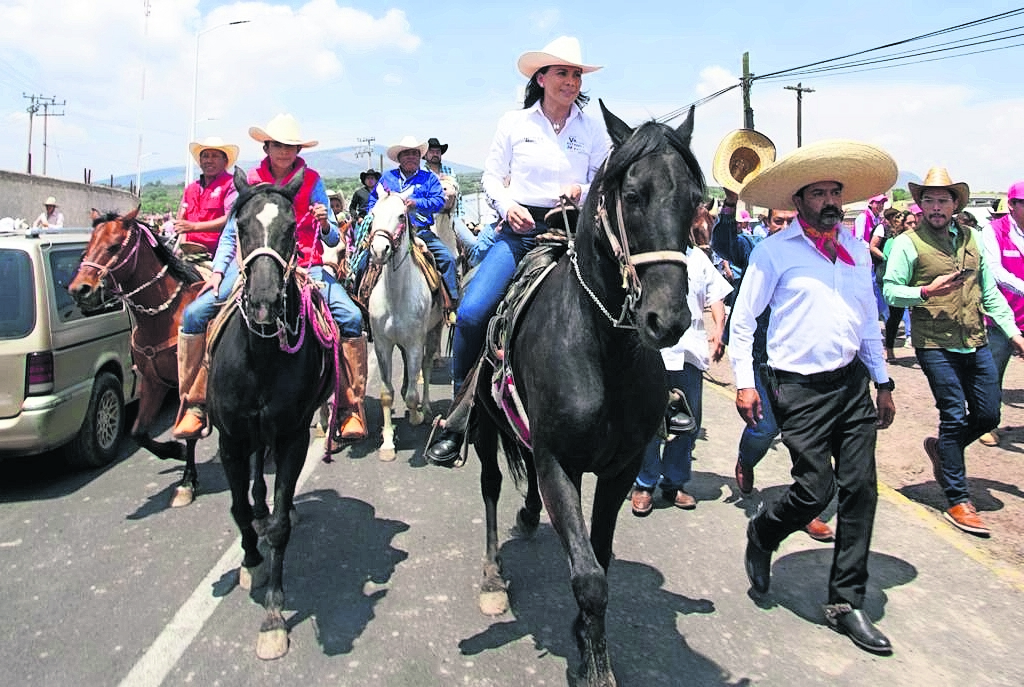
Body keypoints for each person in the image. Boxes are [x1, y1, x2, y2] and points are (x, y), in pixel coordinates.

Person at [731, 139, 898, 654]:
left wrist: (883, 380)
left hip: (850, 384)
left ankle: (845, 602)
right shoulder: (774, 251)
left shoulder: (853, 250)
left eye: (835, 192)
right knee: (814, 489)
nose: (830, 201)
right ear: (799, 201)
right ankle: (764, 532)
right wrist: (743, 381)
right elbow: (743, 321)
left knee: (860, 490)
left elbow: (868, 321)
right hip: (797, 387)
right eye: (819, 193)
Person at [427, 35, 611, 465]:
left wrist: (582, 190)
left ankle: (656, 403)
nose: (570, 81)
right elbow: (492, 177)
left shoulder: (593, 127)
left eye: (576, 74)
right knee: (472, 313)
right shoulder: (515, 124)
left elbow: (607, 175)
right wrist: (507, 207)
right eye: (562, 73)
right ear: (541, 77)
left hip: (576, 232)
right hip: (522, 231)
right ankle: (461, 413)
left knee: (630, 302)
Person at [173, 114, 369, 443]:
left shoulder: (313, 180)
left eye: (290, 145)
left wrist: (324, 224)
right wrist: (220, 270)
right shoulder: (250, 179)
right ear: (266, 146)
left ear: (297, 149)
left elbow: (334, 239)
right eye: (278, 144)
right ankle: (195, 403)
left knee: (350, 316)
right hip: (254, 262)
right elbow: (231, 233)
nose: (284, 151)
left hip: (305, 262)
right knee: (194, 314)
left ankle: (350, 406)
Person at [883, 168, 1024, 537]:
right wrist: (926, 291)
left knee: (989, 414)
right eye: (928, 199)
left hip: (974, 338)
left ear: (955, 204)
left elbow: (989, 292)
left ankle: (944, 450)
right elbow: (891, 291)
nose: (935, 206)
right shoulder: (907, 243)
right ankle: (958, 499)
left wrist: (1012, 332)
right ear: (920, 204)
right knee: (954, 415)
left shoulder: (972, 239)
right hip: (934, 343)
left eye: (943, 199)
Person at [713, 195, 835, 542]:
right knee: (764, 431)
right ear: (767, 223)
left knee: (809, 438)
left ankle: (806, 506)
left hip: (801, 363)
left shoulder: (817, 251)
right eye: (777, 221)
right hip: (758, 358)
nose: (783, 227)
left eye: (788, 221)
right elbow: (723, 241)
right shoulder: (755, 249)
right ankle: (746, 460)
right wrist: (729, 202)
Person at [630, 246, 731, 515]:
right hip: (651, 352)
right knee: (649, 421)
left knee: (688, 423)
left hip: (689, 354)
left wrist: (719, 329)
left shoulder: (698, 258)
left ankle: (674, 482)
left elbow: (716, 295)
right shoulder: (647, 251)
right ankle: (644, 483)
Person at [367, 136, 457, 306]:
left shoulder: (429, 179)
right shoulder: (387, 179)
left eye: (414, 153)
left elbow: (439, 201)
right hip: (390, 235)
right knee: (364, 263)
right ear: (399, 158)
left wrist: (417, 203)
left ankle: (451, 302)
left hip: (421, 232)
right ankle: (363, 303)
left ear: (419, 157)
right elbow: (373, 202)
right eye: (406, 153)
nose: (411, 157)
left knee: (447, 259)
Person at [979, 181, 1024, 447]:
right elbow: (994, 271)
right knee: (992, 373)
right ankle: (987, 424)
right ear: (1012, 205)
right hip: (1002, 319)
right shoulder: (994, 231)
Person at [173, 137, 239, 257]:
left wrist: (193, 227)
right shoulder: (191, 188)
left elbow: (230, 219)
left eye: (214, 156)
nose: (209, 160)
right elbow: (181, 219)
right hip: (189, 250)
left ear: (225, 161)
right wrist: (184, 245)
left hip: (221, 252)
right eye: (205, 156)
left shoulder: (231, 184)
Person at [875, 207, 908, 360]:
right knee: (895, 315)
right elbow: (887, 257)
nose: (913, 226)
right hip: (892, 279)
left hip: (910, 281)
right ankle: (889, 347)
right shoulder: (891, 241)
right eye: (910, 223)